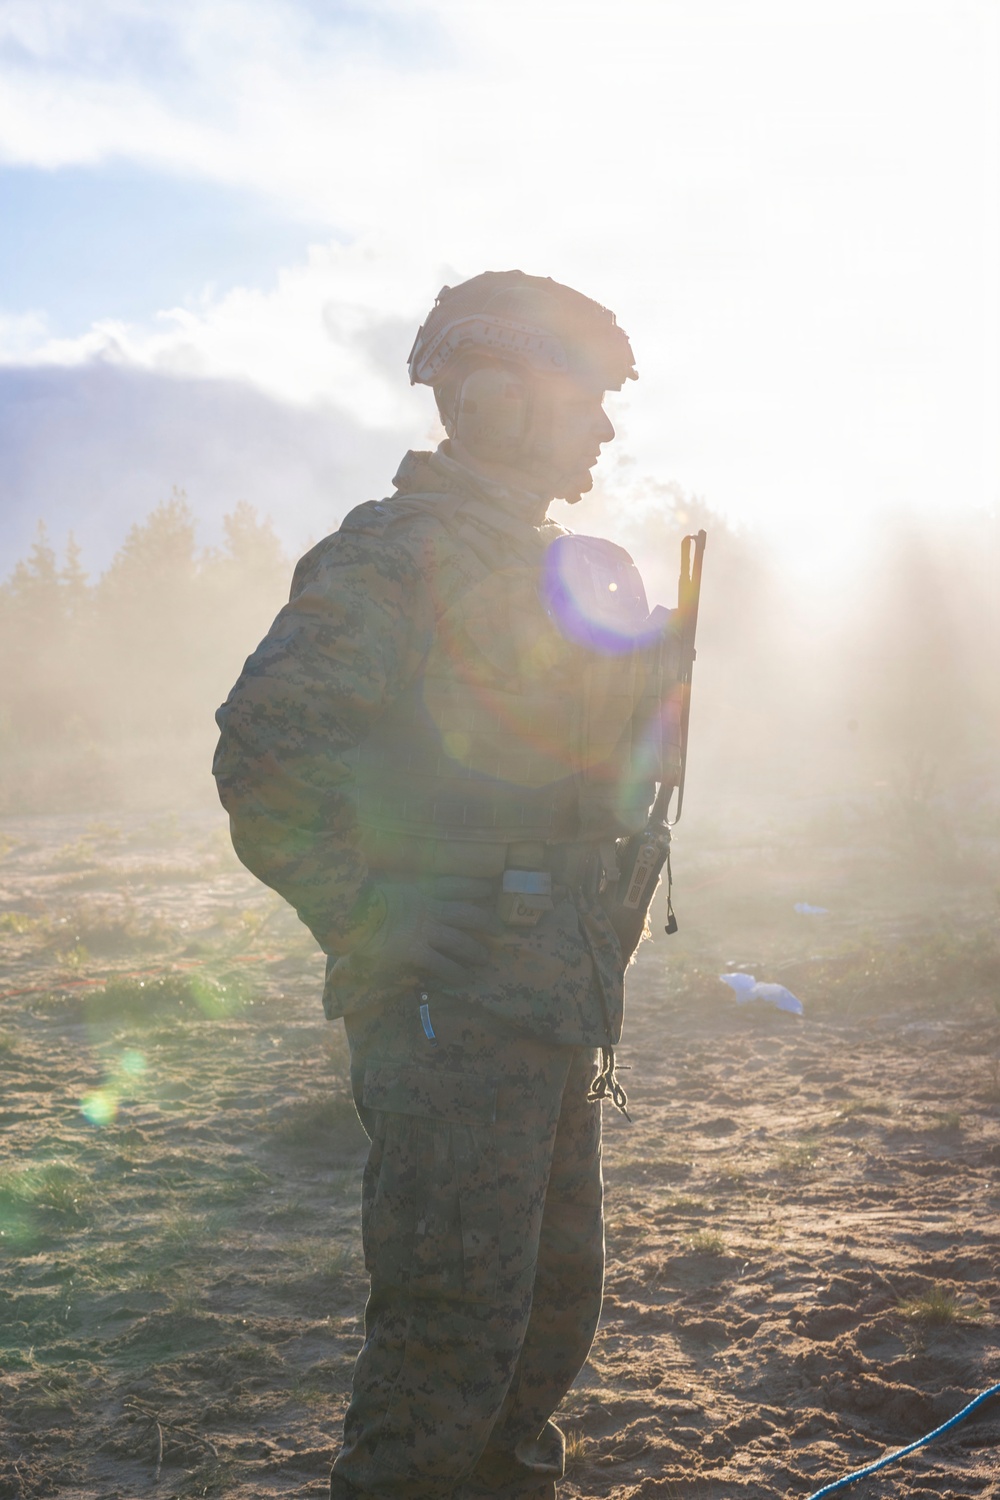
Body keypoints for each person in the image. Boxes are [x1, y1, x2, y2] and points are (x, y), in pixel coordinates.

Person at [213, 271, 671, 1500]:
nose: (606, 430)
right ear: (498, 397)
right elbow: (265, 752)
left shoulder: (542, 563)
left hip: (545, 1004)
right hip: (447, 1007)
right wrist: (375, 914)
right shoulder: (393, 557)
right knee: (446, 1347)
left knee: (543, 1319)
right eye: (586, 400)